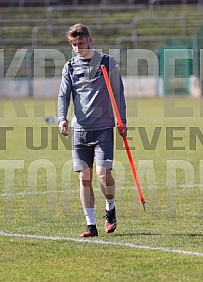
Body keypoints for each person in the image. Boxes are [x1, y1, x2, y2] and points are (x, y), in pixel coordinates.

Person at [57, 23, 127, 237]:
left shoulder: (107, 62)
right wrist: (62, 119)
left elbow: (118, 92)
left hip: (104, 128)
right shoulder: (69, 66)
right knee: (84, 178)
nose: (78, 48)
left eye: (80, 43)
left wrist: (122, 120)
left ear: (90, 40)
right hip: (79, 130)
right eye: (74, 45)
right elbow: (63, 95)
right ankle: (91, 225)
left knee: (103, 175)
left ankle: (110, 208)